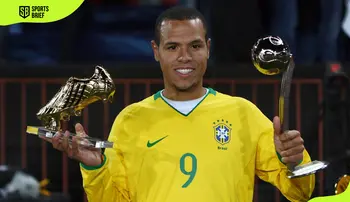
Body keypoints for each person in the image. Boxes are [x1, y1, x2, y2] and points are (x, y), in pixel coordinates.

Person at [42, 6, 315, 202]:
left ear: (208, 48)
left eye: (195, 46)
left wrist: (292, 160)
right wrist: (95, 168)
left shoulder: (242, 113)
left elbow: (300, 192)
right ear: (155, 51)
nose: (185, 57)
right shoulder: (130, 120)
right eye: (172, 47)